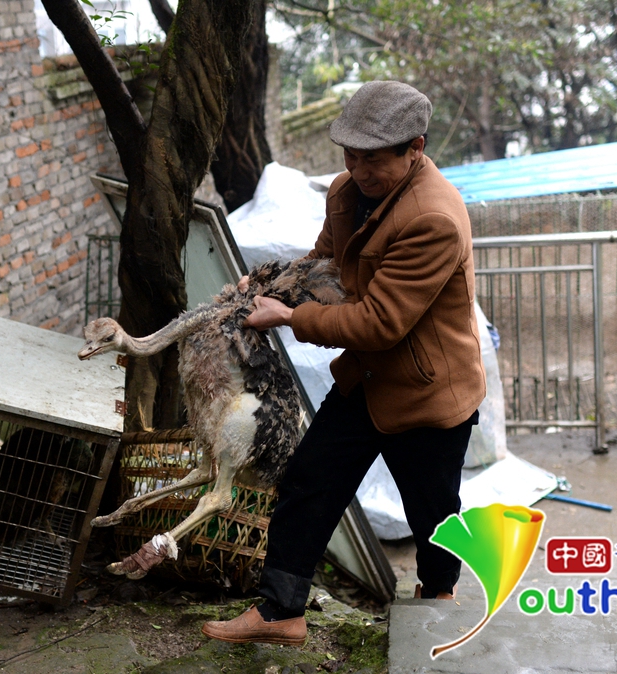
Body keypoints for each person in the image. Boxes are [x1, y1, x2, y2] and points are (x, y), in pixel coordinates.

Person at [201, 81, 487, 646]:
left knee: (433, 515)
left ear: (415, 148)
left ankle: (438, 604)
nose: (358, 170)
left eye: (373, 159)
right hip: (366, 381)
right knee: (310, 483)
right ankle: (282, 612)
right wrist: (262, 285)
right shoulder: (346, 192)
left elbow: (379, 323)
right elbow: (321, 263)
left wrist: (286, 317)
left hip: (429, 392)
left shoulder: (434, 218)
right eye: (350, 156)